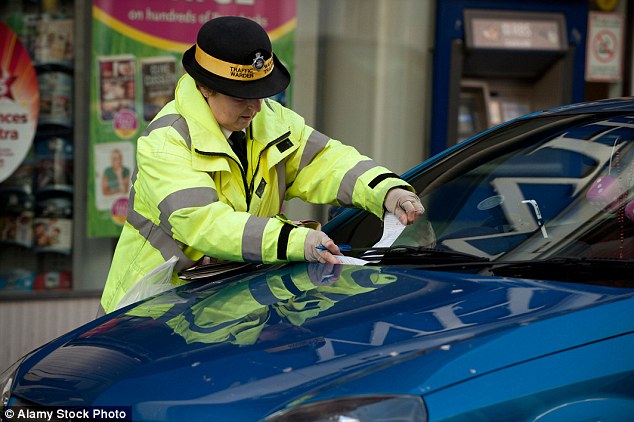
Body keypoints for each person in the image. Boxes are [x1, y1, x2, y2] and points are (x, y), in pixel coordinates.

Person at [100, 16, 424, 314]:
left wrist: (386, 189)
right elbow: (203, 223)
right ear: (205, 88)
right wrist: (293, 241)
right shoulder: (166, 140)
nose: (256, 106)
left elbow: (324, 162)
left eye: (261, 93)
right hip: (148, 314)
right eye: (242, 96)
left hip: (224, 309)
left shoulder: (268, 117)